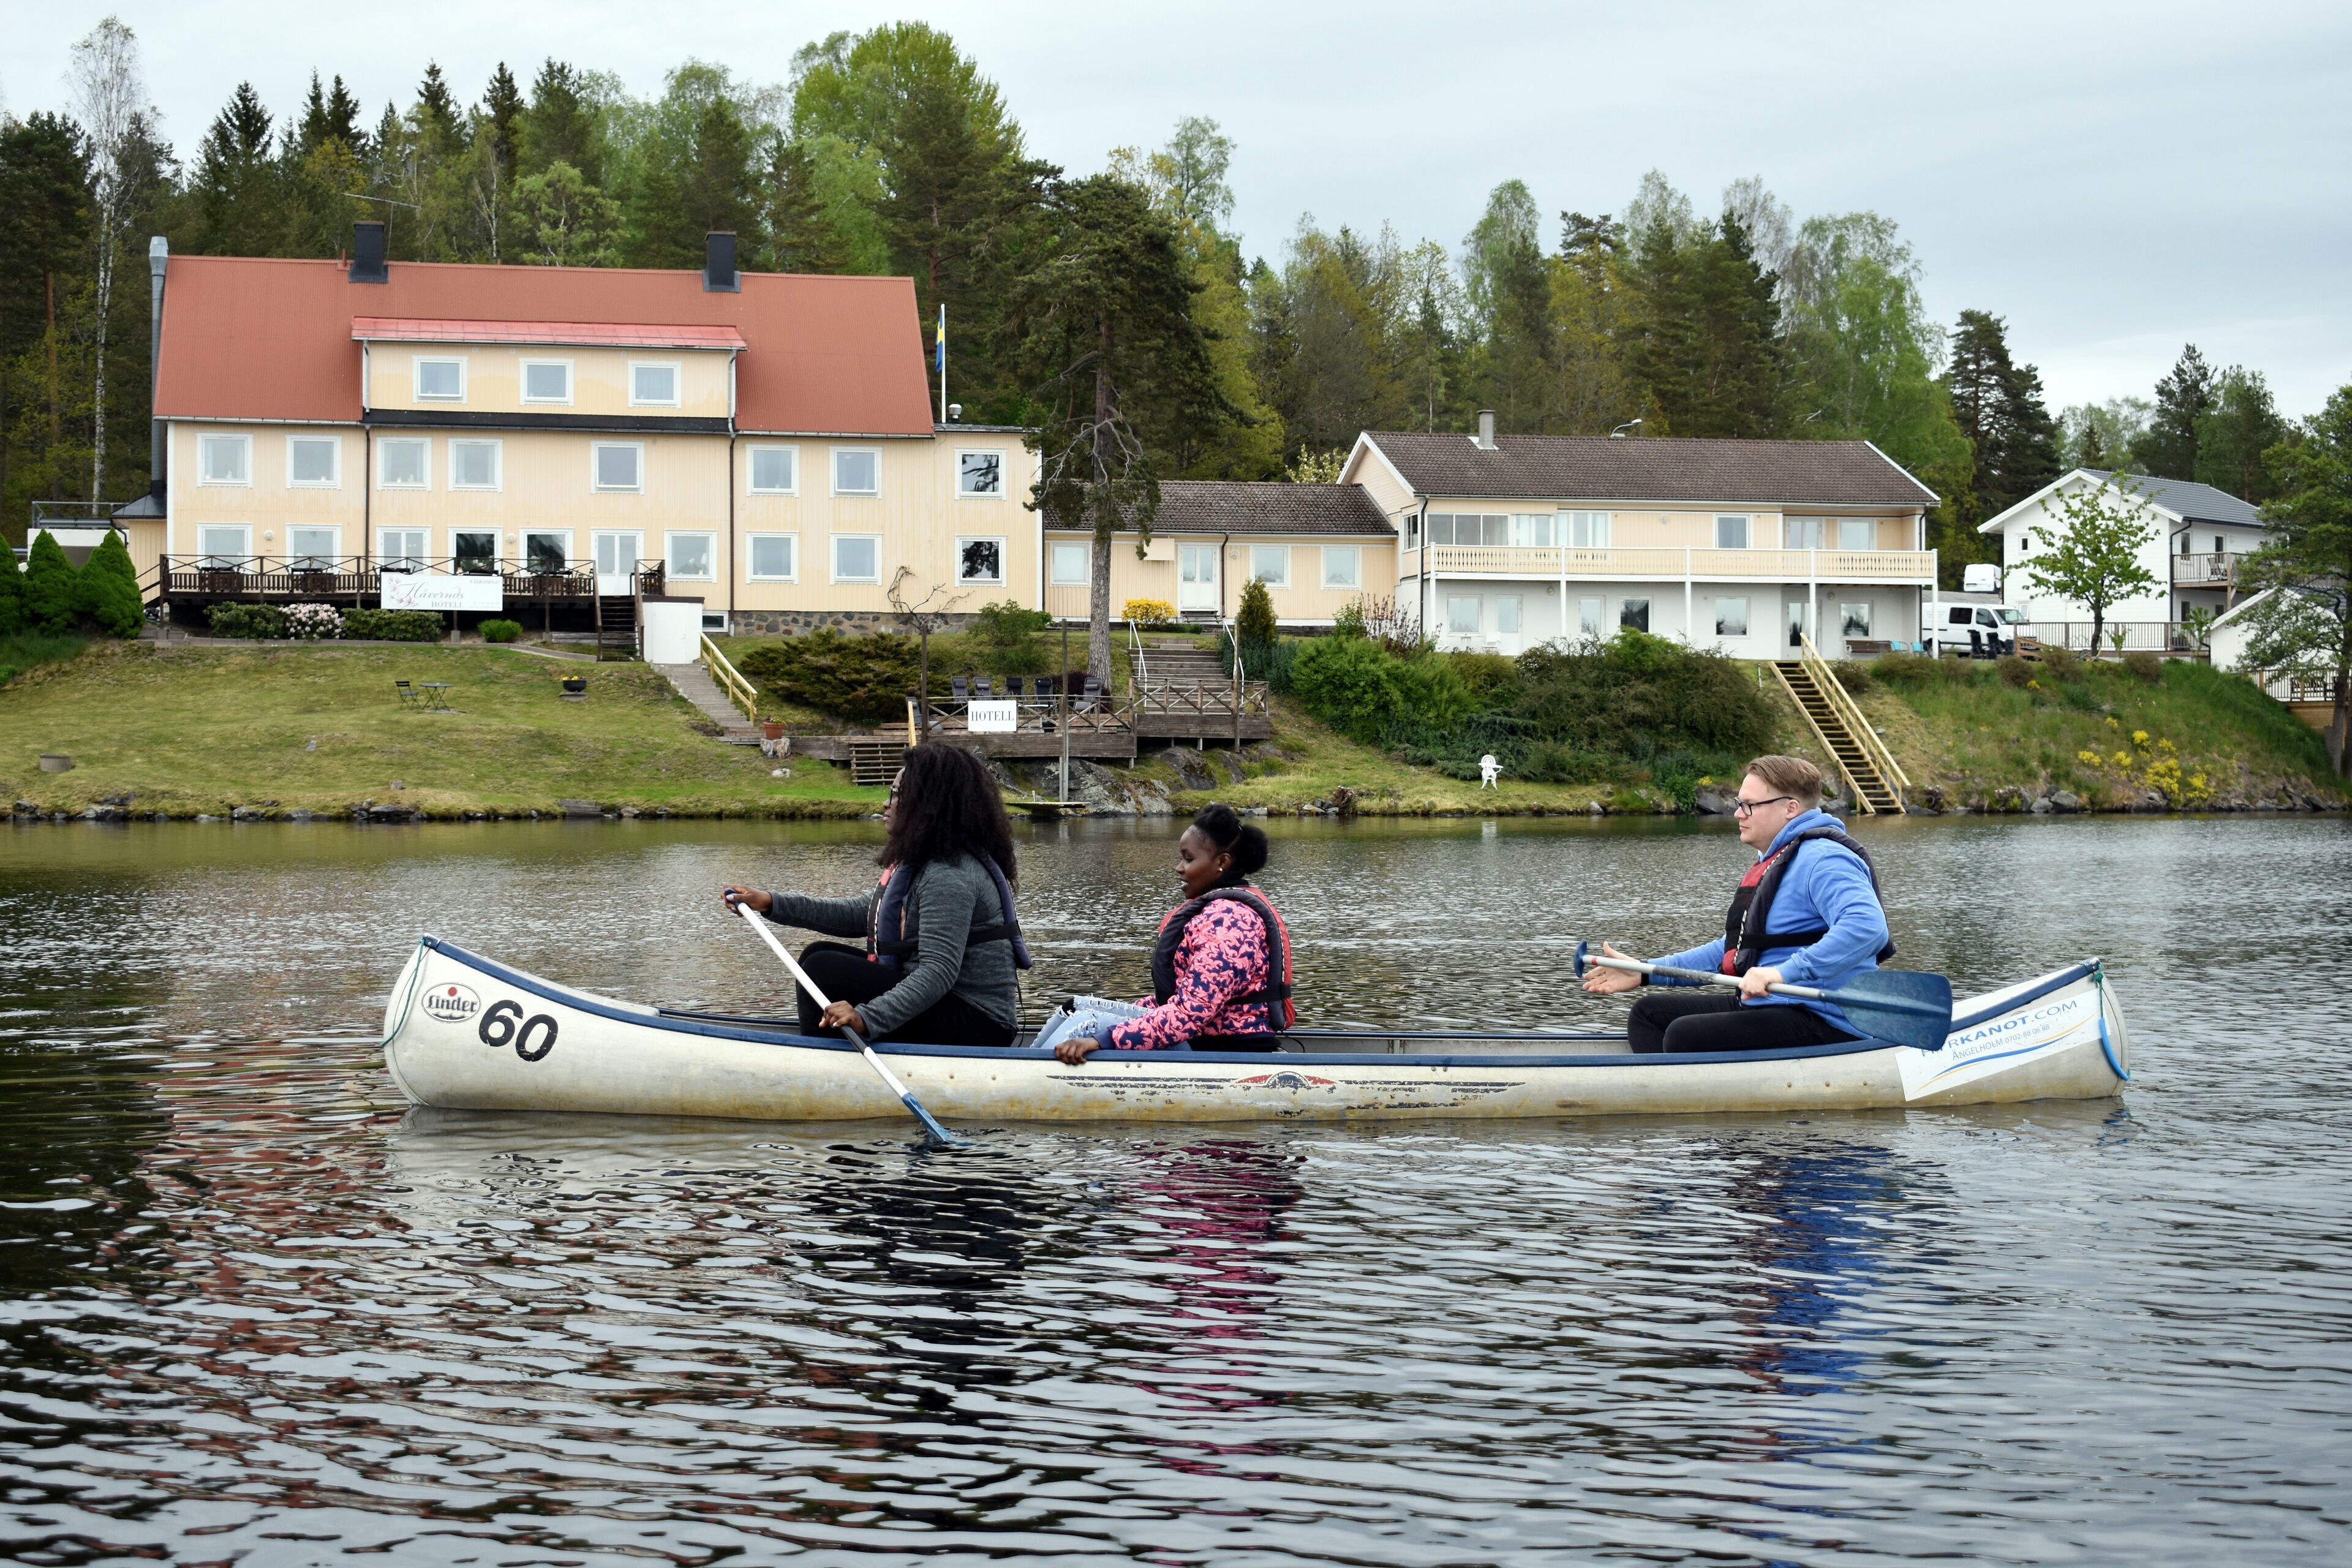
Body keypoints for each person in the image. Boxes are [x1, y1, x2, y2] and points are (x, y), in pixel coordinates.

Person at [1581, 754, 1893, 1054]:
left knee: (1684, 1035)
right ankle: (1662, 1094)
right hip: (1770, 1006)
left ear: (1791, 808)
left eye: (1749, 805)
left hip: (1824, 1018)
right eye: (1739, 804)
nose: (1738, 814)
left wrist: (1781, 974)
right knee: (1649, 1013)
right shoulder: (1778, 859)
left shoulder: (1824, 860)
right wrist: (1647, 971)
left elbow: (1867, 928)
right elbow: (1736, 948)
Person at [722, 742, 1027, 1047]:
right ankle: (831, 1048)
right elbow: (860, 913)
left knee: (822, 969)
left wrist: (868, 1017)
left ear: (928, 804)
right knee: (816, 955)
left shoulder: (949, 874)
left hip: (979, 1022)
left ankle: (822, 1060)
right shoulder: (928, 863)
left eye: (897, 795)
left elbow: (938, 972)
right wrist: (771, 903)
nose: (886, 804)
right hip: (951, 1005)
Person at [1048, 804, 1294, 1064]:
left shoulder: (1230, 922)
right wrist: (1127, 1011)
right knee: (1075, 1009)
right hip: (1201, 1040)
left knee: (1086, 1027)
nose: (1179, 868)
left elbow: (1191, 1013)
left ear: (1222, 862)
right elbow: (1180, 999)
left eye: (1188, 859)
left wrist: (1104, 1039)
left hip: (1224, 1050)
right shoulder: (1213, 912)